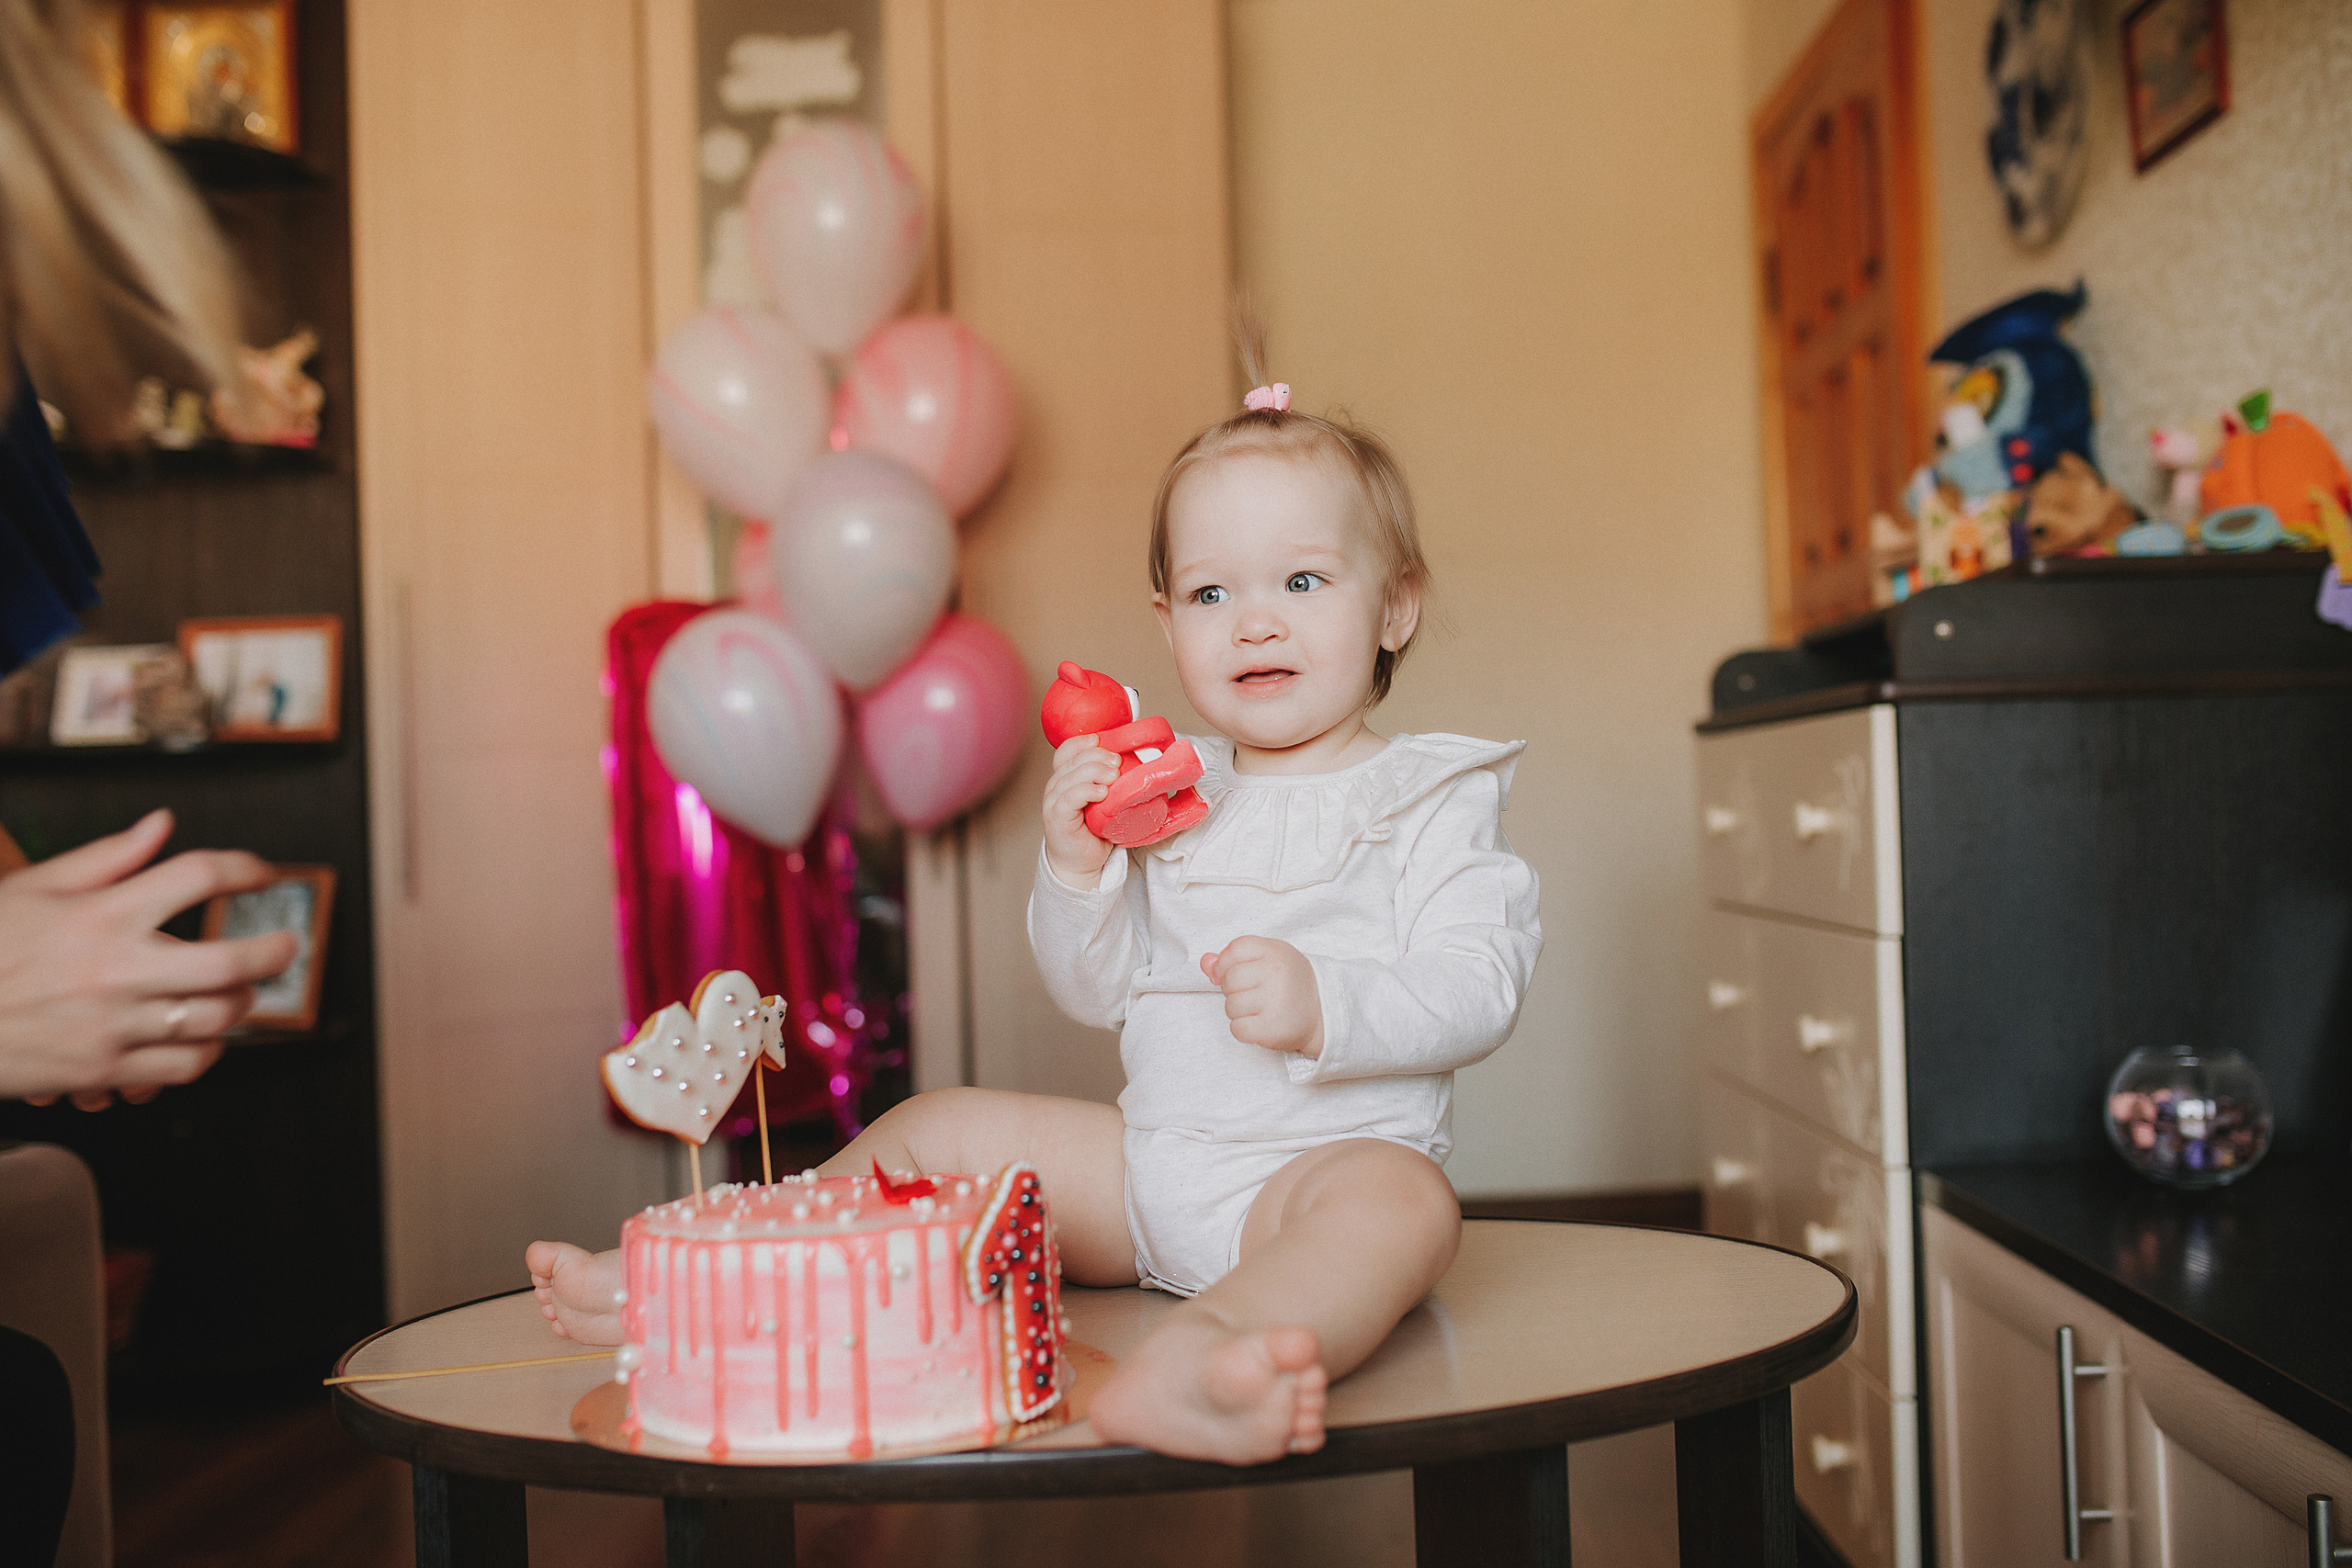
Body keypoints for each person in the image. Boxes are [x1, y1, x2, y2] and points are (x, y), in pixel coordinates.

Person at [527, 334, 1542, 1464]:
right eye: (1212, 591)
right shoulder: (1172, 787)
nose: (1255, 620)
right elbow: (1089, 988)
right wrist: (1075, 867)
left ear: (1396, 605)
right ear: (1166, 624)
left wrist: (1326, 1003)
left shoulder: (1430, 794)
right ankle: (713, 1269)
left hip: (1315, 1172)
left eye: (1302, 582)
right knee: (944, 1122)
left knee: (1407, 1210)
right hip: (1145, 1173)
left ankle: (1206, 1360)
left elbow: (1478, 987)